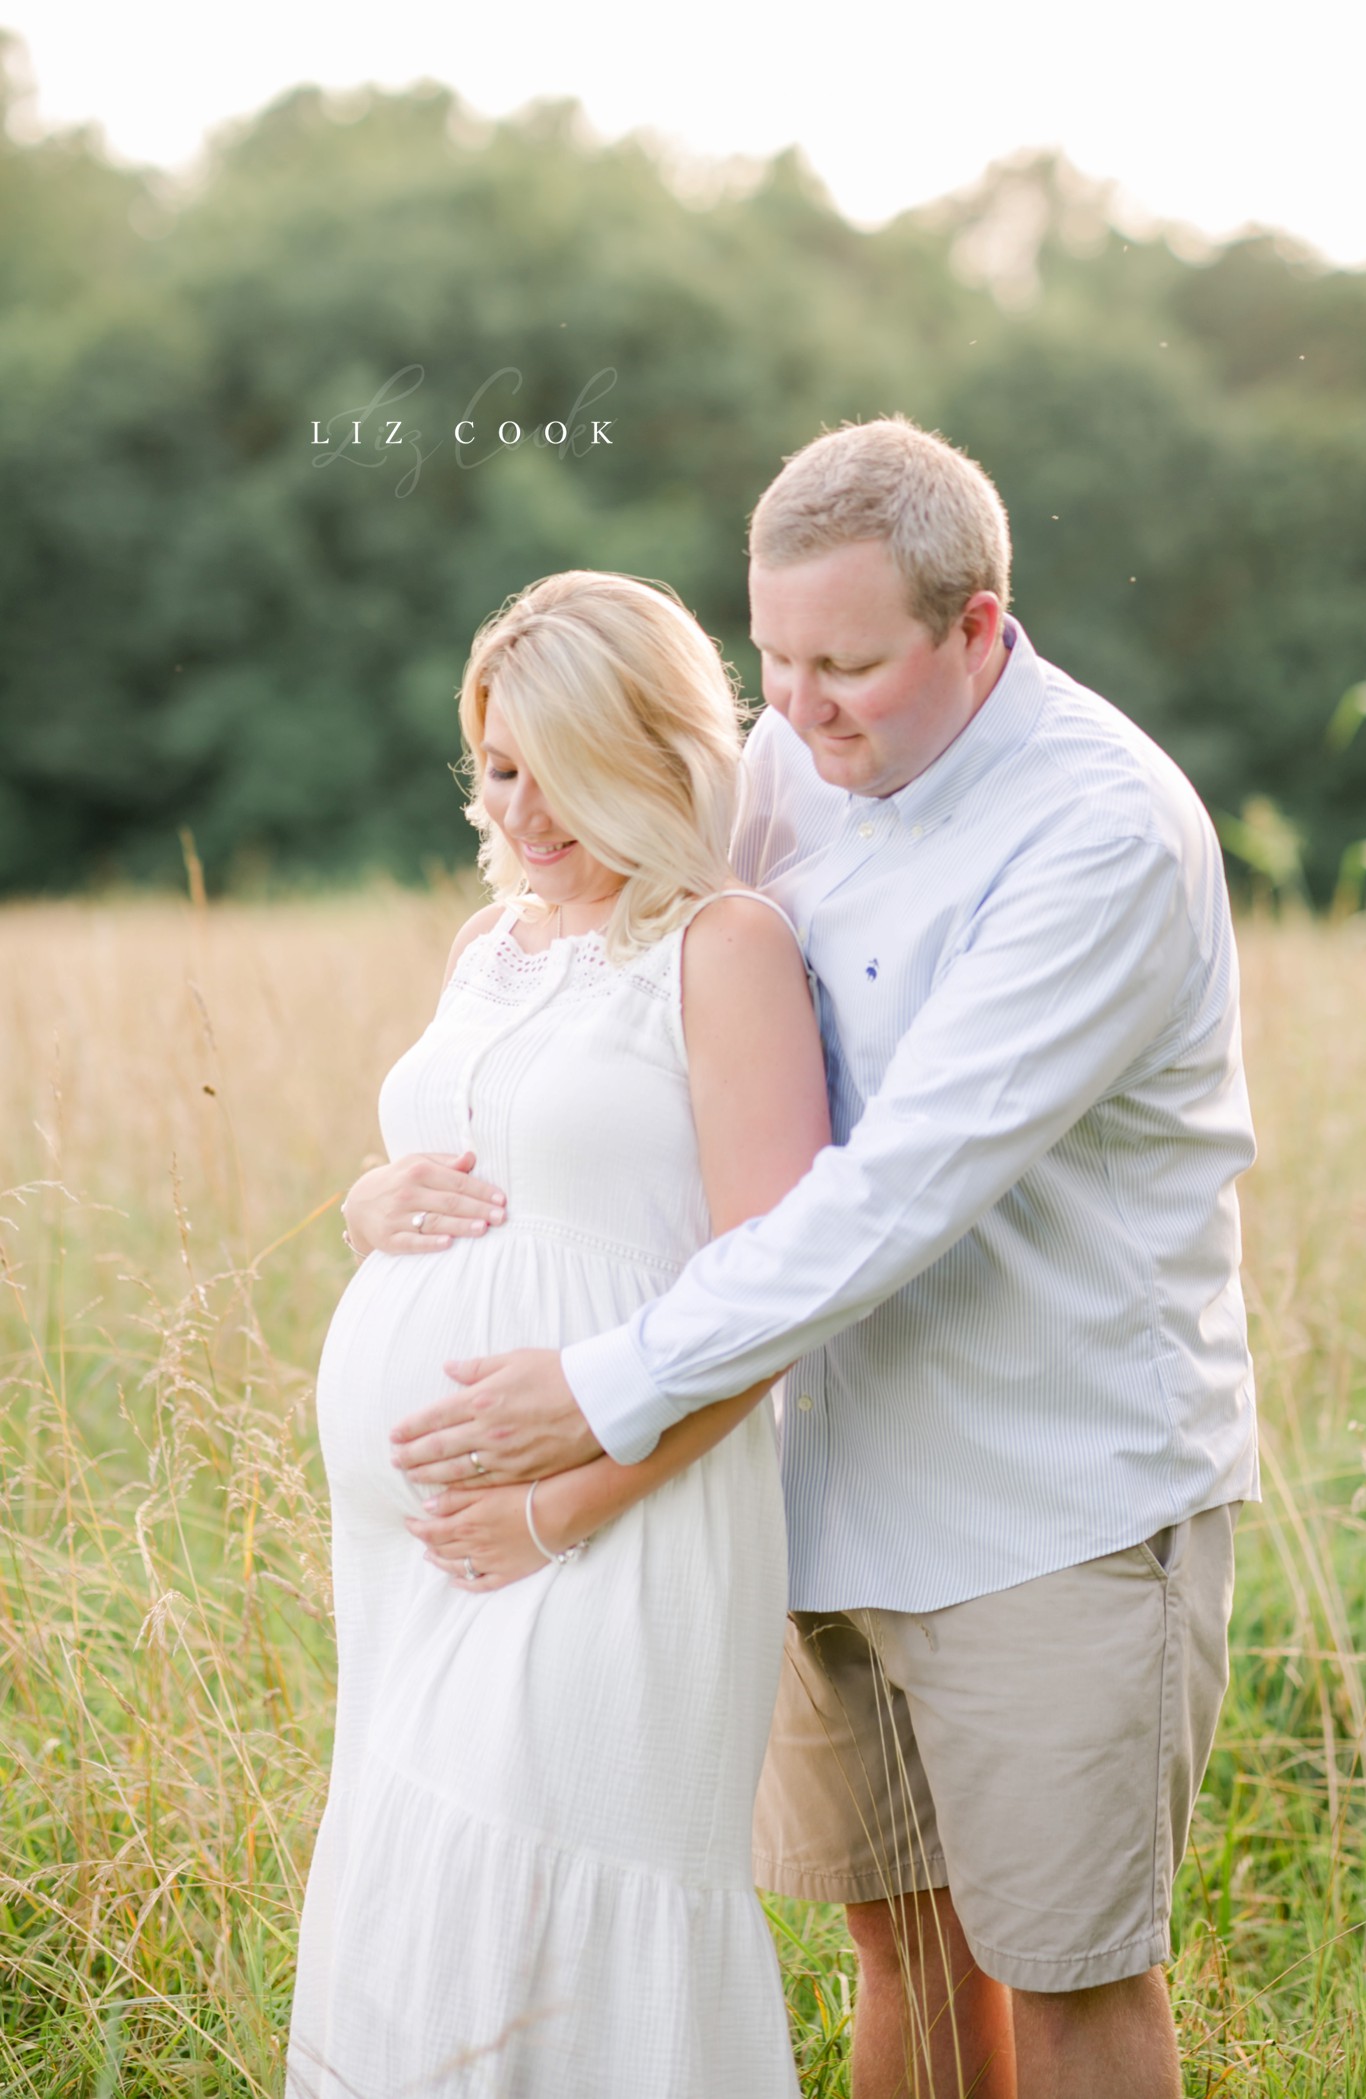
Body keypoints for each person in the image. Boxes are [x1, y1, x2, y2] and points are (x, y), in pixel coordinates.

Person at [392, 417, 1261, 2099]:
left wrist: (596, 1397)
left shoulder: (1097, 837)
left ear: (979, 628)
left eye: (847, 665)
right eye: (772, 660)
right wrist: (403, 1176)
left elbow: (893, 1195)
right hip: (814, 1483)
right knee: (906, 1960)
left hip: (1054, 1504)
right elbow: (641, 989)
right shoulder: (798, 758)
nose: (795, 712)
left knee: (1072, 1980)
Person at [287, 570, 830, 2098]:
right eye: (500, 762)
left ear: (658, 750)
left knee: (560, 1897)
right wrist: (368, 1200)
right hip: (427, 1552)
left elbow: (777, 1290)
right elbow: (481, 1164)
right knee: (427, 1904)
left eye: (562, 766)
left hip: (614, 1521)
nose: (523, 808)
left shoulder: (722, 947)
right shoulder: (497, 944)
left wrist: (560, 1504)